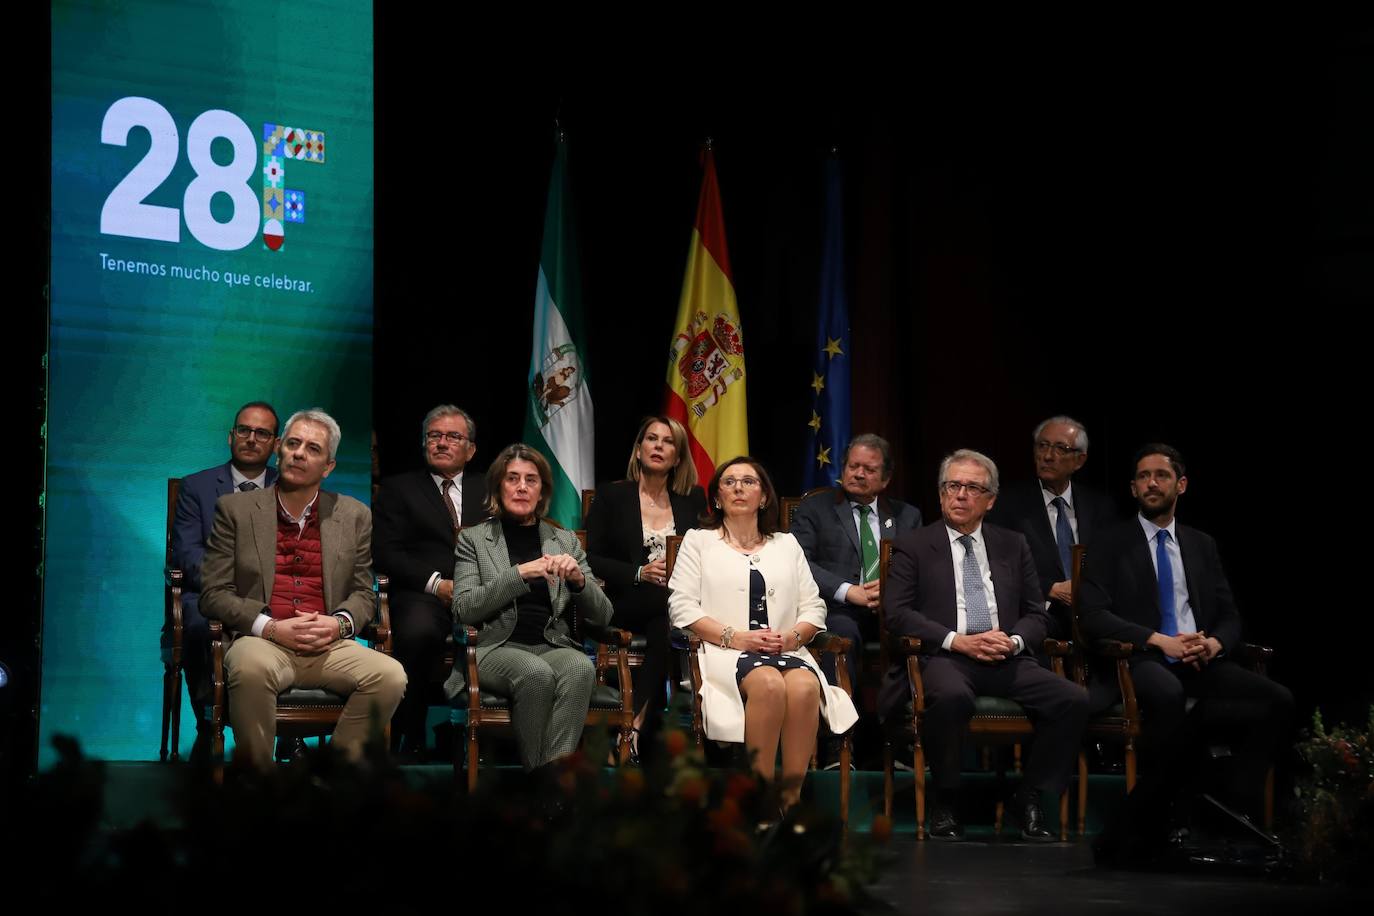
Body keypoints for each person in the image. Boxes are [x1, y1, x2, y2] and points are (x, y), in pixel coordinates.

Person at [1080, 444, 1293, 856]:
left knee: (1278, 699)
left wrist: (1213, 644)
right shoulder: (1109, 543)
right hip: (1143, 657)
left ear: (1181, 485)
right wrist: (1158, 639)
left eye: (1161, 475)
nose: (1151, 482)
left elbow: (1230, 615)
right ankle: (1168, 814)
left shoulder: (1201, 544)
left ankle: (1233, 806)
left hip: (1199, 658)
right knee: (1167, 693)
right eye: (1143, 476)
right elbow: (1093, 615)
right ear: (1132, 487)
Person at [879, 449, 1088, 840]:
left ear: (990, 500)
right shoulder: (913, 546)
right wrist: (957, 641)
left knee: (1072, 699)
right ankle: (947, 800)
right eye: (952, 486)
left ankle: (1027, 798)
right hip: (944, 656)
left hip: (1004, 656)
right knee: (952, 695)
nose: (960, 495)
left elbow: (1037, 612)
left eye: (972, 488)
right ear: (941, 495)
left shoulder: (1013, 544)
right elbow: (897, 613)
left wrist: (1012, 641)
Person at [200, 408, 406, 769]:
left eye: (312, 448)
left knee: (390, 675)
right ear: (279, 452)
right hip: (262, 642)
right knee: (250, 669)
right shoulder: (235, 509)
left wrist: (339, 624)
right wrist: (270, 627)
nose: (299, 453)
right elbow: (213, 593)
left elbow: (363, 593)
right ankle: (258, 789)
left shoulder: (354, 515)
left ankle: (330, 777)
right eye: (293, 444)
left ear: (328, 467)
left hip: (328, 644)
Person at [669, 457, 858, 812]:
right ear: (717, 498)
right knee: (768, 684)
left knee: (804, 687)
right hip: (725, 651)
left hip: (786, 648)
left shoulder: (786, 545)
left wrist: (793, 638)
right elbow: (681, 608)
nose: (739, 488)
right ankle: (760, 797)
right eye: (729, 482)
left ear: (765, 497)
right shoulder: (699, 542)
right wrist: (736, 637)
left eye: (749, 481)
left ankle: (791, 800)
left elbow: (814, 607)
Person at [445, 443, 612, 772]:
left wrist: (579, 581)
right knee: (535, 675)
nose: (521, 487)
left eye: (531, 480)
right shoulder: (475, 539)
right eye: (512, 479)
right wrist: (519, 573)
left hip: (551, 645)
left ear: (542, 491)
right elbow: (463, 609)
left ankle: (555, 780)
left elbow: (604, 615)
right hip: (493, 647)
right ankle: (543, 781)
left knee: (580, 668)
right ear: (498, 486)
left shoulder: (565, 541)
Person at [585, 416, 706, 761]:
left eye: (668, 442)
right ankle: (640, 732)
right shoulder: (613, 495)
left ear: (678, 457)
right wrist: (639, 572)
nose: (658, 446)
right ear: (639, 451)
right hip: (621, 601)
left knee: (665, 621)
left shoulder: (692, 500)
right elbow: (589, 556)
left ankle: (632, 732)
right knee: (666, 609)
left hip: (669, 608)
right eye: (651, 439)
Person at [372, 405, 488, 756]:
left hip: (483, 591)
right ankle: (409, 732)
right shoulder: (399, 488)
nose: (441, 442)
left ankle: (487, 737)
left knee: (512, 628)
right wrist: (437, 584)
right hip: (423, 593)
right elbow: (385, 552)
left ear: (470, 449)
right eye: (434, 436)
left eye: (452, 436)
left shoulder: (490, 488)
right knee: (418, 632)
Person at [169, 401, 280, 757]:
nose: (251, 439)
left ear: (276, 444)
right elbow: (187, 554)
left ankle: (287, 733)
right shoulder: (196, 487)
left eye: (262, 433)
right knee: (200, 625)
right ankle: (208, 722)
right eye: (244, 430)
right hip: (208, 594)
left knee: (300, 616)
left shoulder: (291, 486)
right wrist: (229, 590)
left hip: (271, 597)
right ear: (231, 436)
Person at [790, 433, 922, 692]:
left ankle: (898, 721)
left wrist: (889, 589)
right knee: (843, 632)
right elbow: (798, 561)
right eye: (853, 466)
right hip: (837, 608)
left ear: (885, 479)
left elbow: (919, 568)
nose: (859, 474)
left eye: (869, 469)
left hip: (890, 611)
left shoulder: (907, 516)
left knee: (923, 632)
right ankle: (840, 721)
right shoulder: (815, 508)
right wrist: (848, 591)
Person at [989, 415, 1115, 638]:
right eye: (1043, 446)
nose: (1048, 456)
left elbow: (1110, 565)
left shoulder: (1100, 507)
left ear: (1080, 460)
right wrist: (1050, 588)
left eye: (1060, 448)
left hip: (1092, 618)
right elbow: (999, 566)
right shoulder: (1007, 505)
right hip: (1037, 615)